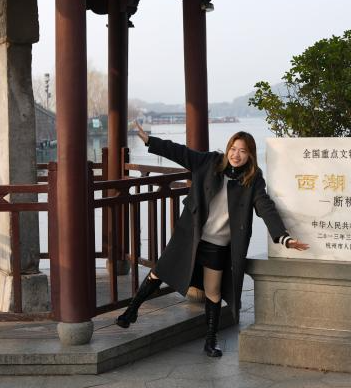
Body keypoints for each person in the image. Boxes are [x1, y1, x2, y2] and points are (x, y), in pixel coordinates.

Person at [116, 123, 308, 358]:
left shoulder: (253, 179)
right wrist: (150, 141)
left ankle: (210, 340)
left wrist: (284, 238)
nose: (236, 155)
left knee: (213, 291)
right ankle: (131, 311)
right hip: (192, 236)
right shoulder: (210, 162)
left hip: (218, 244)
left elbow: (265, 207)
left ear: (250, 155)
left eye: (243, 151)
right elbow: (181, 152)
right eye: (233, 149)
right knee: (160, 271)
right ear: (227, 150)